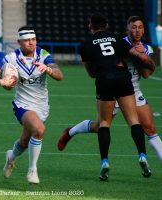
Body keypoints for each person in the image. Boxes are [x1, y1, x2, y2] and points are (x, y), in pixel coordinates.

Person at [61, 13, 155, 181]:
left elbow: (91, 74)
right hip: (123, 77)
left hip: (104, 79)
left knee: (104, 123)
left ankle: (104, 162)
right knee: (134, 121)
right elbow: (140, 58)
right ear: (107, 25)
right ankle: (142, 156)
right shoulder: (119, 39)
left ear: (90, 26)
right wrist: (150, 63)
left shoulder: (85, 45)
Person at [0, 25, 63, 184]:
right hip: (22, 105)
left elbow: (59, 75)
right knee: (39, 130)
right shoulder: (11, 58)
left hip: (42, 106)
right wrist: (0, 81)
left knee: (24, 141)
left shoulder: (43, 55)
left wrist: (48, 70)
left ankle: (11, 157)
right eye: (27, 40)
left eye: (33, 39)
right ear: (19, 42)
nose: (31, 42)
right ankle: (32, 170)